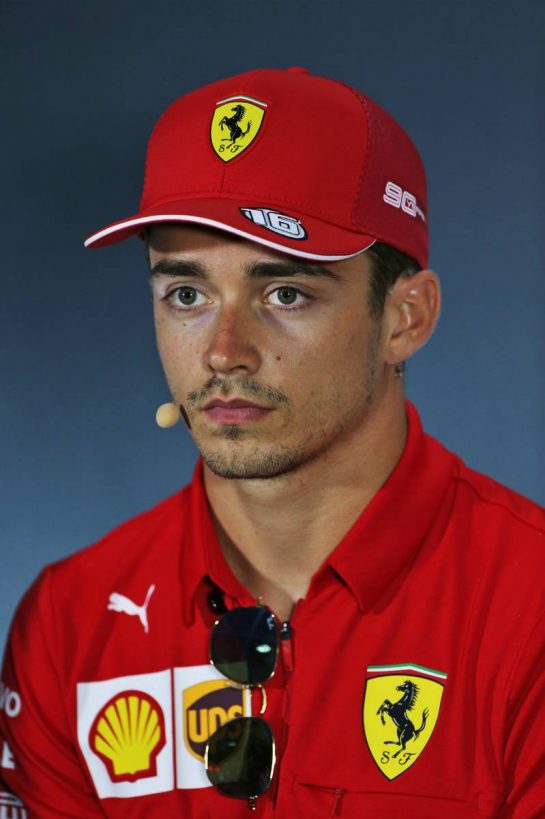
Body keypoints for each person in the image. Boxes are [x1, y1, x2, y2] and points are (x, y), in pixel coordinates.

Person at [1, 66, 544, 819]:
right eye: (185, 294)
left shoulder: (529, 604)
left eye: (284, 293)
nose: (224, 351)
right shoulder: (70, 623)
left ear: (404, 318)